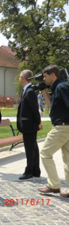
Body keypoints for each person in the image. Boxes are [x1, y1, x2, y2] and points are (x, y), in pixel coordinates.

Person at [37, 65, 69, 197]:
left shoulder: (62, 87)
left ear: (53, 75)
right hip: (64, 127)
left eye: (45, 76)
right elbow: (51, 106)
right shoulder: (57, 88)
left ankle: (54, 185)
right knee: (67, 158)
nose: (43, 79)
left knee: (45, 153)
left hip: (62, 127)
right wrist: (44, 91)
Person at [17, 70, 43, 180]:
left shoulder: (29, 91)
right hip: (29, 124)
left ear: (23, 78)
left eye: (19, 77)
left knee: (30, 148)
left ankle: (29, 171)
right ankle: (36, 170)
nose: (18, 79)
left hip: (29, 125)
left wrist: (38, 122)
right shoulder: (28, 90)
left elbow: (34, 109)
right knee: (33, 147)